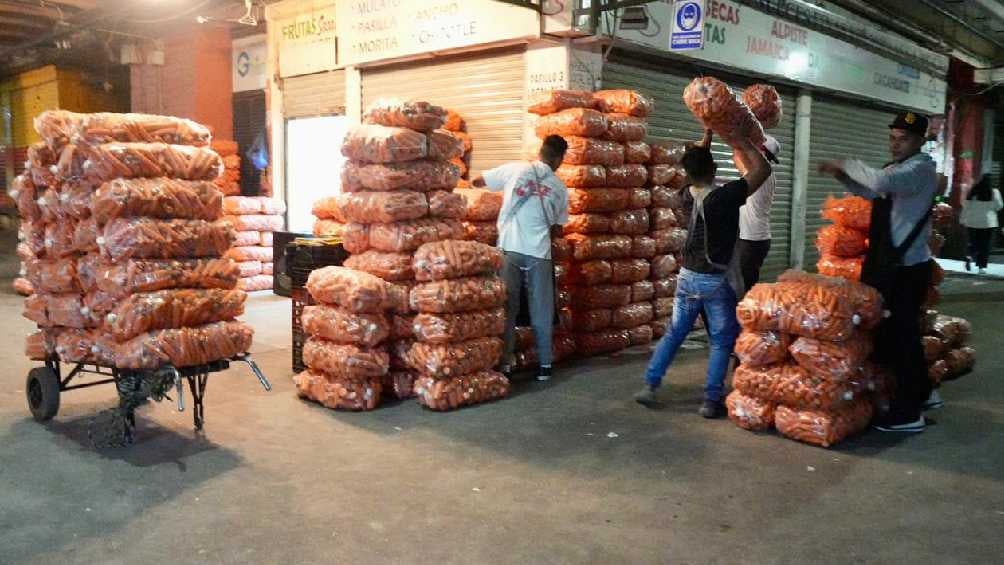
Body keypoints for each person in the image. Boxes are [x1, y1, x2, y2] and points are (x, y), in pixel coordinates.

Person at [635, 130, 772, 417]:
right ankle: (710, 399)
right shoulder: (725, 197)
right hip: (715, 281)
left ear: (688, 171)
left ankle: (650, 384)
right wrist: (743, 141)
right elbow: (763, 169)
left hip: (687, 277)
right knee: (721, 340)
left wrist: (707, 136)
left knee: (675, 332)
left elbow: (693, 163)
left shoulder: (685, 195)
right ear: (715, 169)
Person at [819, 111, 937, 433]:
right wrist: (842, 177)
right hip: (888, 265)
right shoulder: (896, 169)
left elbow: (883, 183)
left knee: (902, 337)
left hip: (907, 268)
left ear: (920, 142)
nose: (896, 145)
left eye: (904, 139)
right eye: (893, 138)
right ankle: (923, 392)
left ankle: (908, 412)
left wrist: (846, 162)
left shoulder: (921, 169)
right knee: (897, 334)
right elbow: (873, 192)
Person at [472, 135, 569, 382]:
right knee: (542, 309)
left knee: (508, 308)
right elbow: (558, 229)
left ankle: (505, 363)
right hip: (540, 254)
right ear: (559, 159)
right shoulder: (559, 187)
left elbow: (478, 181)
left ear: (541, 152)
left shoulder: (515, 169)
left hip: (509, 248)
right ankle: (545, 366)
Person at [735, 135, 781, 290]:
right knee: (744, 282)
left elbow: (736, 155)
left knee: (743, 286)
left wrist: (735, 132)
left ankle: (745, 313)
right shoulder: (763, 173)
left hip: (752, 240)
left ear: (760, 151)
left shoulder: (761, 174)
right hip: (755, 238)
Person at [961, 174, 1002, 275]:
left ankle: (969, 255)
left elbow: (966, 206)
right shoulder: (994, 192)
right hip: (988, 223)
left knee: (973, 241)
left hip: (972, 221)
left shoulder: (973, 191)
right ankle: (981, 267)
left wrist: (962, 219)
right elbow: (999, 206)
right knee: (984, 245)